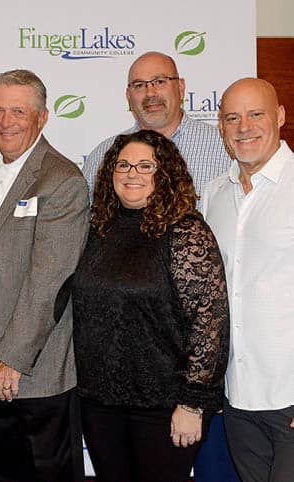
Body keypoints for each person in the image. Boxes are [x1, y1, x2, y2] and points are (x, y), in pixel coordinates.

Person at [82, 52, 238, 482]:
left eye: (145, 166)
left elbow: (209, 322)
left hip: (163, 405)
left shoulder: (187, 231)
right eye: (124, 166)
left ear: (164, 173)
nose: (132, 174)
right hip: (100, 401)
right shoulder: (99, 229)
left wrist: (192, 403)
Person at [0, 69, 89, 482]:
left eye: (18, 111)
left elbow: (50, 282)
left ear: (42, 117)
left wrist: (13, 358)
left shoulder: (63, 180)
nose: (5, 121)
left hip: (35, 370)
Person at [202, 78, 294, 482]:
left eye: (256, 114)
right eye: (232, 118)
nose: (244, 127)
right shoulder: (213, 194)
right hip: (237, 397)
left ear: (279, 117)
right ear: (220, 128)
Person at [82, 51, 230, 208]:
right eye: (139, 85)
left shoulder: (225, 147)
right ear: (128, 96)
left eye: (160, 82)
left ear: (180, 88)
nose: (150, 93)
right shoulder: (103, 155)